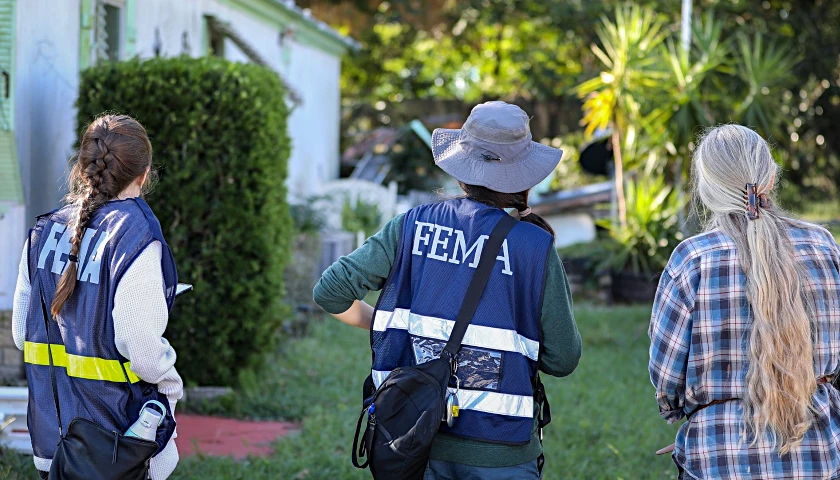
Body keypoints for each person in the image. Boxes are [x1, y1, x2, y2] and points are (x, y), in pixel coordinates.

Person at [314, 101, 581, 479]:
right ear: (524, 175)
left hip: (413, 439)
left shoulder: (410, 226)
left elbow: (330, 292)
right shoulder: (533, 247)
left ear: (462, 168)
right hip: (501, 449)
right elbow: (563, 359)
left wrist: (386, 324)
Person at [649, 124, 840, 479]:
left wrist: (697, 416)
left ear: (707, 189)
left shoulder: (692, 260)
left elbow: (667, 379)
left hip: (716, 460)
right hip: (821, 457)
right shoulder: (825, 247)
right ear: (769, 179)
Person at [12, 115, 183, 479]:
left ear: (82, 167)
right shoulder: (135, 238)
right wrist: (170, 385)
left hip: (53, 445)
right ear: (144, 173)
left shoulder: (42, 233)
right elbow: (140, 345)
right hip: (119, 450)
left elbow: (20, 333)